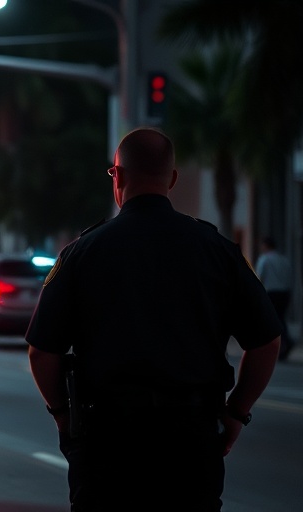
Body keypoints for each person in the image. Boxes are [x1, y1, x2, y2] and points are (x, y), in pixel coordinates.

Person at [25, 128, 281, 512]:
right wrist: (236, 412)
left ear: (119, 177)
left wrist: (64, 416)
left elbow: (42, 352)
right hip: (191, 440)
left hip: (108, 441)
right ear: (173, 179)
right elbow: (266, 342)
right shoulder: (218, 251)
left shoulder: (82, 253)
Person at [255, 235, 295, 360]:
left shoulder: (264, 259)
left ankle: (279, 345)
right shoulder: (284, 260)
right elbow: (290, 277)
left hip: (271, 293)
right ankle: (285, 342)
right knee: (281, 318)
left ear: (265, 246)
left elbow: (259, 277)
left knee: (271, 321)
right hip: (284, 293)